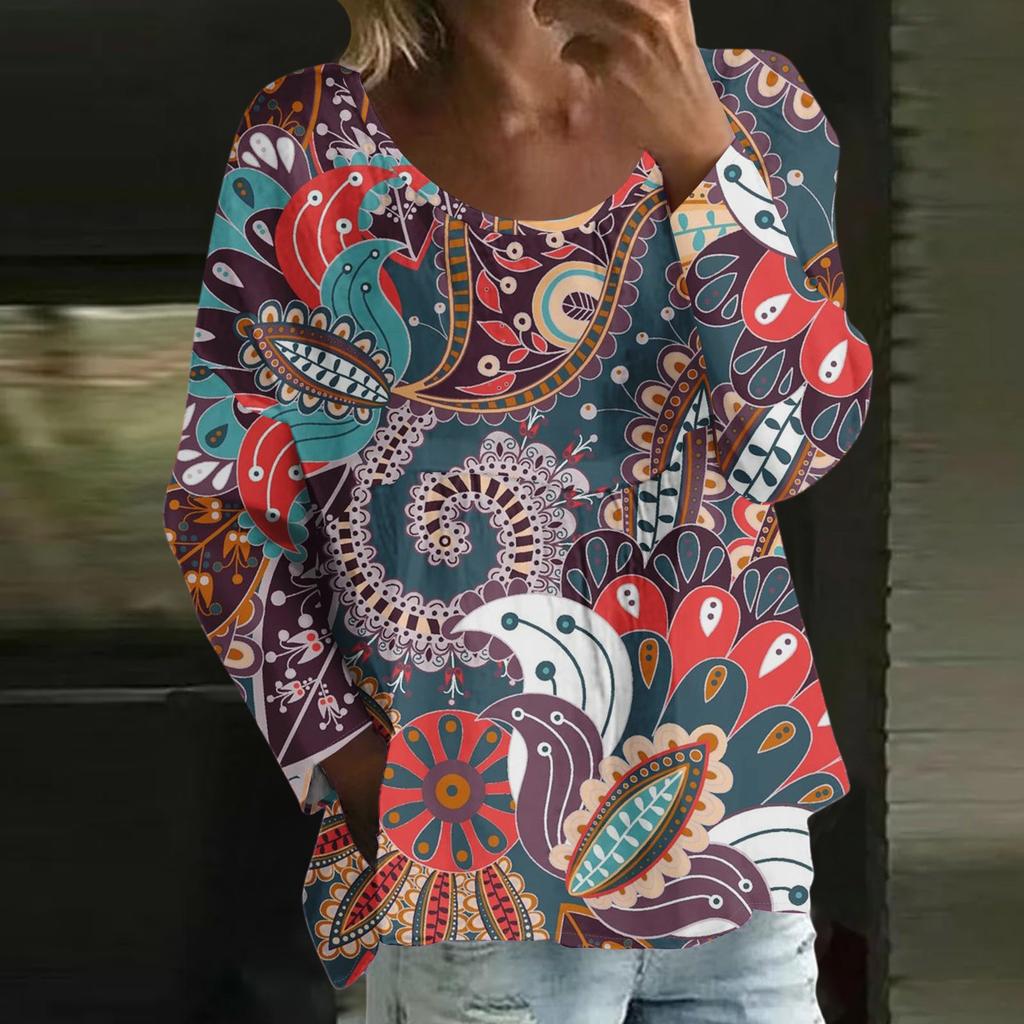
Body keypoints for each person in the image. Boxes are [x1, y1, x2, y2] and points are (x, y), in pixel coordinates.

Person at [160, 1, 873, 1021]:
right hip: (468, 861)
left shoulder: (758, 109)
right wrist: (365, 783)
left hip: (738, 847)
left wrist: (698, 155)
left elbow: (802, 442)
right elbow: (228, 512)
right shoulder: (309, 142)